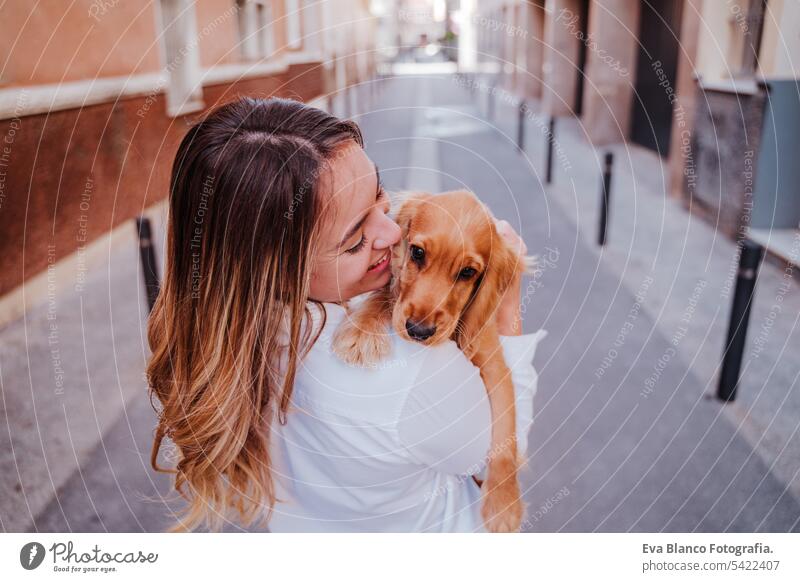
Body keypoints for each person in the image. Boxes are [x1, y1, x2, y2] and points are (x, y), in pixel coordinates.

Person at [146, 96, 547, 533]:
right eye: (355, 239)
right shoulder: (409, 370)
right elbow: (492, 450)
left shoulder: (237, 334)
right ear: (279, 267)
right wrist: (507, 310)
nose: (393, 232)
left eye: (380, 198)